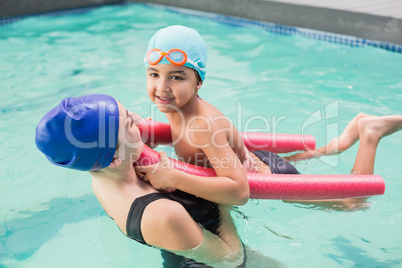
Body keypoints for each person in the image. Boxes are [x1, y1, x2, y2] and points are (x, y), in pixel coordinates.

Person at [35, 94, 247, 268]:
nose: (138, 121)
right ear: (115, 160)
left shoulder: (102, 174)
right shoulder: (164, 214)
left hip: (178, 240)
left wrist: (129, 139)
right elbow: (231, 258)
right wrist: (218, 194)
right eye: (129, 123)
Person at [136, 25, 298, 206]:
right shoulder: (175, 106)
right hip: (253, 159)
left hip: (274, 179)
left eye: (177, 77)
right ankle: (326, 150)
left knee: (332, 204)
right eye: (154, 74)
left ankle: (328, 149)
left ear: (199, 82)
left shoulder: (202, 125)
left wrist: (174, 178)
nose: (162, 87)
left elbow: (241, 192)